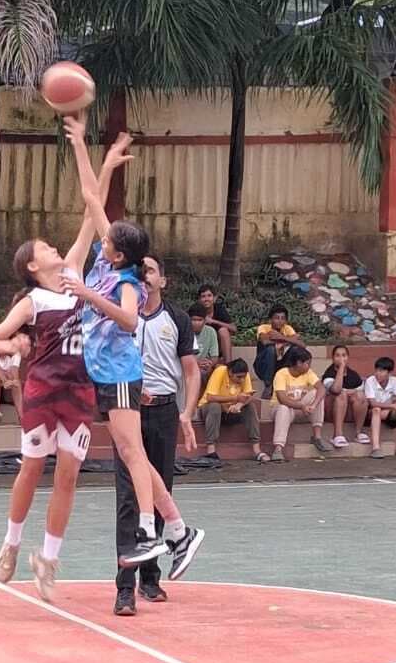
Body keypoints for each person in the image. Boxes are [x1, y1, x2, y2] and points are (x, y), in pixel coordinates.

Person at [0, 132, 134, 602]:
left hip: (79, 389)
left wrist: (102, 162)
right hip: (43, 391)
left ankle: (47, 560)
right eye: (44, 247)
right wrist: (16, 346)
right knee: (32, 469)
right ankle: (11, 543)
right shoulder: (32, 300)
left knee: (68, 475)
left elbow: (93, 212)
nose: (53, 248)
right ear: (32, 265)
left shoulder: (73, 274)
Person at [62, 118, 204, 579]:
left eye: (107, 240)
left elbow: (127, 320)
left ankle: (147, 529)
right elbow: (91, 199)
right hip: (105, 376)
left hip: (122, 374)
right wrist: (83, 147)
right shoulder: (109, 261)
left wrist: (87, 295)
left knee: (132, 453)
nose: (101, 239)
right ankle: (179, 530)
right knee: (130, 454)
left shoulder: (128, 283)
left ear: (119, 254)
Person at [114, 256, 201, 617]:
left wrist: (187, 412)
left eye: (150, 271)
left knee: (161, 490)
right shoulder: (122, 317)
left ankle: (151, 577)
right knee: (128, 499)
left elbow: (191, 371)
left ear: (163, 280)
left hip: (164, 411)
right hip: (128, 409)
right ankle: (124, 587)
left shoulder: (177, 319)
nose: (144, 277)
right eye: (140, 272)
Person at [197, 358, 269, 464]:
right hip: (211, 410)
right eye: (238, 377)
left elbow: (248, 395)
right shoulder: (221, 371)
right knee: (214, 406)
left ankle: (257, 450)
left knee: (250, 407)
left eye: (244, 377)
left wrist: (240, 405)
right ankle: (211, 450)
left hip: (231, 410)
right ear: (230, 372)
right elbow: (210, 397)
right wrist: (235, 398)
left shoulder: (245, 375)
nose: (242, 380)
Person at [271, 349, 331, 461]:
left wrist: (313, 405)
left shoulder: (308, 373)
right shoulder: (281, 374)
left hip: (300, 409)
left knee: (317, 394)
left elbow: (321, 388)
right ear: (299, 363)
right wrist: (301, 406)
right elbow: (282, 399)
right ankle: (278, 448)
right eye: (307, 363)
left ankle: (317, 437)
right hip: (282, 410)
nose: (309, 366)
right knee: (283, 408)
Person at [321, 345, 369, 448]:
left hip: (350, 412)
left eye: (344, 355)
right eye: (338, 356)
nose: (341, 358)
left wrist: (354, 392)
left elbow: (363, 392)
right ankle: (337, 435)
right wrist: (341, 368)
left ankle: (358, 432)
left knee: (360, 396)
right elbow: (336, 389)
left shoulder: (354, 375)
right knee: (341, 394)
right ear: (333, 358)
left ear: (348, 357)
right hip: (331, 412)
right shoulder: (328, 374)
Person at [254, 305, 303, 398]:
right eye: (277, 318)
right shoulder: (263, 328)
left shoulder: (287, 328)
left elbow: (302, 345)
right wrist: (289, 339)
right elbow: (264, 341)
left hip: (279, 365)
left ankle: (287, 382)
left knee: (295, 349)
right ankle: (268, 386)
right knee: (270, 349)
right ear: (270, 320)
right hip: (263, 366)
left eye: (282, 318)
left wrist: (281, 337)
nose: (280, 321)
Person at [0, 335, 29, 425]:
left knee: (17, 381)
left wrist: (13, 380)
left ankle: (21, 416)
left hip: (6, 392)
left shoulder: (15, 354)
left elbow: (14, 371)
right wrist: (5, 381)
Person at [196, 283, 236, 361]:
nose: (206, 299)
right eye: (203, 296)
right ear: (199, 300)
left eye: (209, 296)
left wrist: (213, 321)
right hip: (200, 345)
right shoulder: (196, 310)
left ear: (214, 298)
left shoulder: (219, 309)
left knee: (223, 331)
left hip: (217, 345)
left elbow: (234, 328)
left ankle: (228, 364)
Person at [189, 302, 221, 386]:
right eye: (193, 320)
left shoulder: (211, 332)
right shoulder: (183, 331)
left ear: (205, 320)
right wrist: (196, 363)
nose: (196, 323)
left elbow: (214, 356)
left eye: (199, 320)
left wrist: (209, 364)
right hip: (188, 366)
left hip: (205, 366)